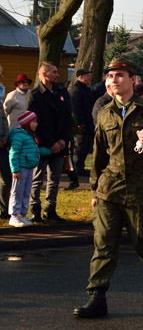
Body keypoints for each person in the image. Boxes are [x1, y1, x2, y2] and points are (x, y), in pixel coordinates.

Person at [74, 59, 143, 319]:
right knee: (104, 243)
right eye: (110, 76)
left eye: (119, 75)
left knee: (142, 241)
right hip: (109, 188)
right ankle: (97, 296)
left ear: (133, 79)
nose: (113, 81)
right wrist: (94, 191)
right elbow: (99, 154)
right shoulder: (104, 112)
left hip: (140, 187)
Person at [26, 61, 71, 223]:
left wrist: (63, 140)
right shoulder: (35, 95)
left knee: (55, 179)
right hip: (43, 144)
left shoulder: (61, 92)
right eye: (54, 72)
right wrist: (51, 142)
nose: (58, 75)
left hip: (60, 144)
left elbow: (67, 117)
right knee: (37, 178)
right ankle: (35, 209)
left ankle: (50, 209)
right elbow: (34, 122)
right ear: (44, 75)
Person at [8, 111, 51, 227]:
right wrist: (15, 170)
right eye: (34, 121)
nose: (36, 124)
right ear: (27, 123)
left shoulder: (30, 137)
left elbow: (35, 151)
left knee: (26, 191)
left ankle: (22, 214)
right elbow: (13, 153)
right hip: (20, 169)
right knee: (17, 191)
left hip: (28, 168)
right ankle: (14, 215)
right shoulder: (19, 136)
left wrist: (50, 151)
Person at [69, 68, 94, 178]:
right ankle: (77, 168)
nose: (90, 78)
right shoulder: (76, 90)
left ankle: (80, 167)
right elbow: (75, 107)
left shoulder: (85, 89)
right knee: (80, 146)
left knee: (85, 146)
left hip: (88, 123)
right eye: (88, 76)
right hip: (81, 125)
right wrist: (80, 122)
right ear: (82, 77)